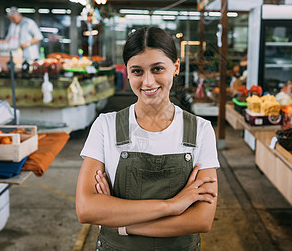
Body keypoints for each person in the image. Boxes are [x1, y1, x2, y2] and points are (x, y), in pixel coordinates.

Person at [76, 27, 219, 251]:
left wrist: (122, 224)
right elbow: (86, 209)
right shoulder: (106, 126)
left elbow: (201, 219)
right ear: (127, 73)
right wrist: (174, 205)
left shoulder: (201, 130)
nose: (148, 82)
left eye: (158, 69)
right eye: (137, 71)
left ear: (176, 67)